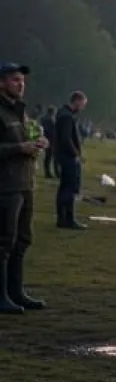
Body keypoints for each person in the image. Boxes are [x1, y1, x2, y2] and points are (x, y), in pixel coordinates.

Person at [0, 62, 49, 313]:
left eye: (22, 80)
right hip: (5, 187)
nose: (21, 84)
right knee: (4, 242)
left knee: (22, 240)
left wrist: (38, 143)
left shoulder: (21, 112)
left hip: (25, 183)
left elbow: (26, 140)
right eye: (15, 80)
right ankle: (2, 296)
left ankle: (16, 292)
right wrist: (19, 148)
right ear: (2, 83)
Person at [53, 91, 88, 230]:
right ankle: (68, 219)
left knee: (64, 188)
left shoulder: (63, 113)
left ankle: (63, 218)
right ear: (77, 101)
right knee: (70, 188)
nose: (83, 107)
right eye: (83, 104)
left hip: (63, 156)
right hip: (68, 157)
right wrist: (75, 153)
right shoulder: (66, 116)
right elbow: (66, 139)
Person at [39, 106, 57, 179]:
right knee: (49, 157)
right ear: (52, 112)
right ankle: (48, 173)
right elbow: (52, 130)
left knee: (47, 157)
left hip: (45, 138)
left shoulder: (43, 118)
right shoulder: (51, 119)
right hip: (51, 140)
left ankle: (47, 172)